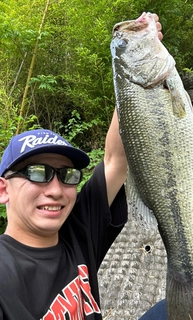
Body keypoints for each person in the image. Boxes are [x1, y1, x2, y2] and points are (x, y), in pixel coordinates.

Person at [0, 14, 167, 320]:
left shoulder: (78, 230)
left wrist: (138, 59)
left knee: (176, 309)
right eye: (37, 173)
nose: (55, 190)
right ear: (2, 189)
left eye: (67, 176)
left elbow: (115, 159)